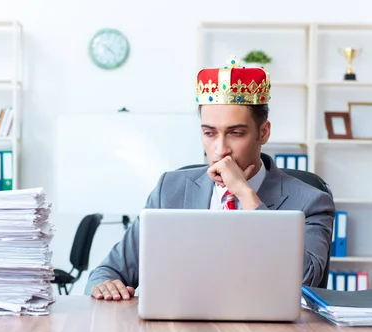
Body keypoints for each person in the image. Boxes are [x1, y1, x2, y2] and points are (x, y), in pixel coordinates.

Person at [84, 56, 336, 301]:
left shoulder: (311, 201)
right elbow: (105, 273)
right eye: (209, 133)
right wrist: (105, 286)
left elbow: (305, 283)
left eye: (236, 133)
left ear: (263, 132)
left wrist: (246, 195)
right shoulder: (169, 190)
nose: (220, 149)